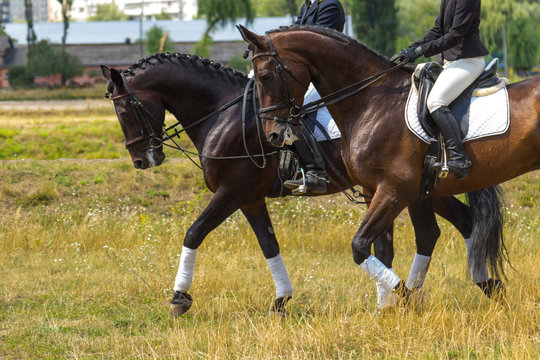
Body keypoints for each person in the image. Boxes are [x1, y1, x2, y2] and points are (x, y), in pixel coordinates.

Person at [393, 0, 488, 179]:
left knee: (436, 101)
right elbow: (438, 30)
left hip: (469, 61)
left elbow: (455, 35)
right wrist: (412, 48)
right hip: (451, 61)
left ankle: (459, 159)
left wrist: (422, 50)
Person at [284, 0, 346, 194]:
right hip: (309, 75)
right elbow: (294, 30)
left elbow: (313, 41)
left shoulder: (330, 6)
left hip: (327, 77)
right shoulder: (308, 5)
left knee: (292, 109)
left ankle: (315, 172)